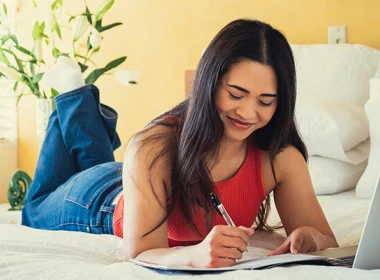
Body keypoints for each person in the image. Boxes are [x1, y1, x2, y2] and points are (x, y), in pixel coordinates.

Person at [22, 19, 338, 268]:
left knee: (93, 158)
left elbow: (329, 243)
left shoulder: (281, 159)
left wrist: (312, 238)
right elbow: (140, 252)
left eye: (266, 101)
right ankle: (71, 95)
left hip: (136, 178)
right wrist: (194, 256)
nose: (248, 113)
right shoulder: (153, 146)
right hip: (99, 201)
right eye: (236, 95)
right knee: (33, 208)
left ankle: (76, 100)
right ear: (209, 84)